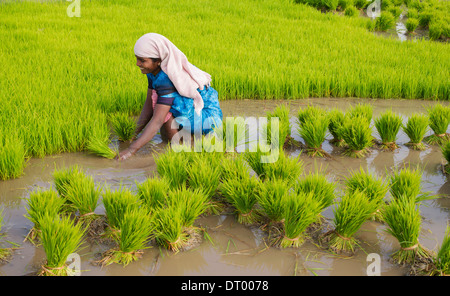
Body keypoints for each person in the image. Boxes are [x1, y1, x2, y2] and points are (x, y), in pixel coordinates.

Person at [117, 33, 223, 160]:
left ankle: (184, 145)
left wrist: (131, 150)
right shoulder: (152, 71)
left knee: (162, 111)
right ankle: (178, 140)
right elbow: (148, 105)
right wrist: (133, 134)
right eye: (137, 58)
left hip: (205, 117)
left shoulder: (166, 78)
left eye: (142, 60)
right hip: (189, 108)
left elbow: (158, 120)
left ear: (158, 61)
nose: (137, 63)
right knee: (157, 103)